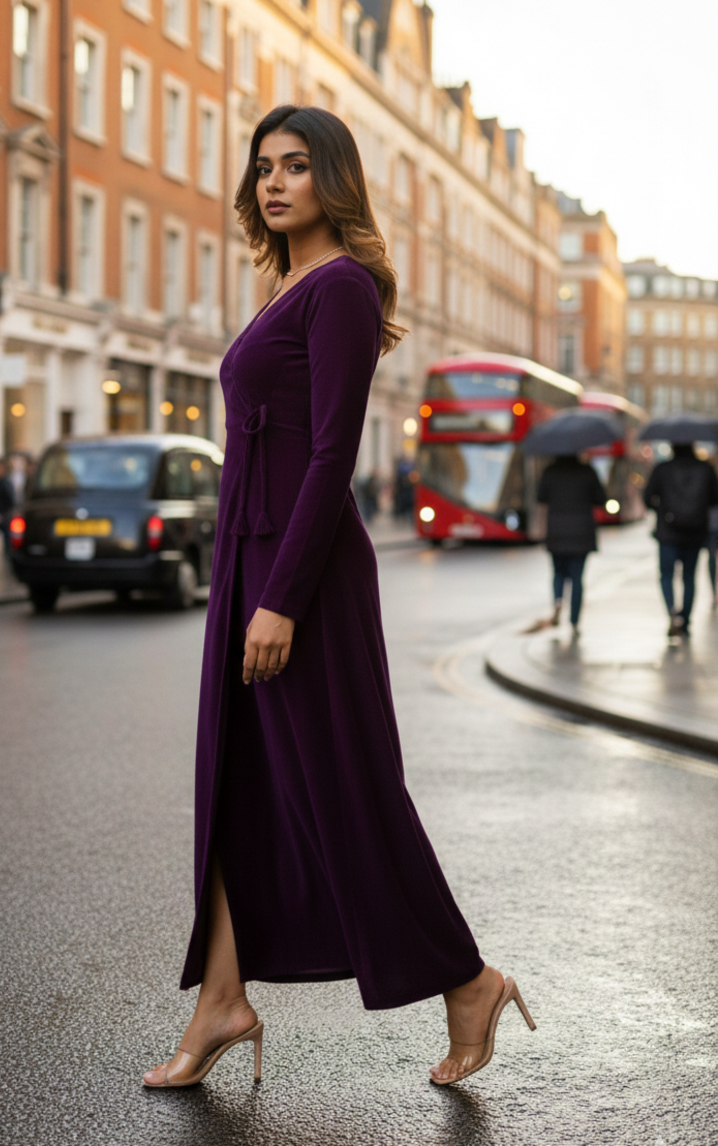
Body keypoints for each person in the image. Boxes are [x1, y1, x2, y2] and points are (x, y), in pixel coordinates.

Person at [143, 105, 535, 1092]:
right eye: (263, 167)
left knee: (345, 787)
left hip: (297, 577)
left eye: (295, 167)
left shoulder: (342, 291)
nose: (274, 183)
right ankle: (222, 1000)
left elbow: (329, 458)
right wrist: (243, 585)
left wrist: (277, 598)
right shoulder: (284, 283)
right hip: (246, 563)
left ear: (333, 181)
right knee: (231, 782)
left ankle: (467, 979)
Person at [643, 443, 718, 636]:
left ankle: (672, 613)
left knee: (666, 575)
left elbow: (647, 497)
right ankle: (685, 620)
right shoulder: (706, 468)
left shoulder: (662, 469)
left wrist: (662, 511)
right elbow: (714, 499)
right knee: (689, 577)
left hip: (668, 532)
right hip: (695, 532)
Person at [537, 454, 607, 635]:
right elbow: (601, 498)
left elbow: (541, 497)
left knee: (558, 573)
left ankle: (558, 601)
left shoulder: (550, 471)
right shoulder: (587, 471)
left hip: (557, 531)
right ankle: (574, 620)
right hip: (581, 532)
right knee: (577, 578)